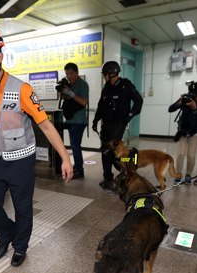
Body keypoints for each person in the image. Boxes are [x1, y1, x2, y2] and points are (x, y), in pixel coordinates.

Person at [0, 25, 73, 267]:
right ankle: (6, 234)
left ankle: (20, 246)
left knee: (23, 208)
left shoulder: (22, 90)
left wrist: (65, 158)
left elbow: (46, 126)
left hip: (21, 161)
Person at [92, 61, 143, 191]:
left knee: (113, 151)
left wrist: (130, 115)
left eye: (105, 74)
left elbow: (139, 101)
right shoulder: (106, 88)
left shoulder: (126, 86)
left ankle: (126, 176)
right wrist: (95, 120)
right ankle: (108, 178)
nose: (104, 77)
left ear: (111, 73)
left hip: (119, 124)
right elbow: (100, 106)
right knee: (105, 151)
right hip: (106, 124)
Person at [168, 81, 197, 185]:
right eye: (194, 94)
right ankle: (178, 174)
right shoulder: (186, 98)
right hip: (183, 130)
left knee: (191, 155)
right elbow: (170, 109)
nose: (195, 97)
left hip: (196, 131)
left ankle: (188, 174)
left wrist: (195, 109)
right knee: (180, 154)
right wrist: (179, 103)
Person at [61, 62, 89, 179]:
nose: (69, 76)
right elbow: (63, 98)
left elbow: (83, 102)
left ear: (77, 72)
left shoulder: (82, 84)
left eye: (71, 73)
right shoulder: (69, 84)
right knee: (73, 145)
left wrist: (71, 93)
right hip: (69, 120)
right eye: (67, 74)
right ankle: (75, 166)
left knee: (75, 145)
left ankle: (79, 169)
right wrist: (63, 90)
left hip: (78, 121)